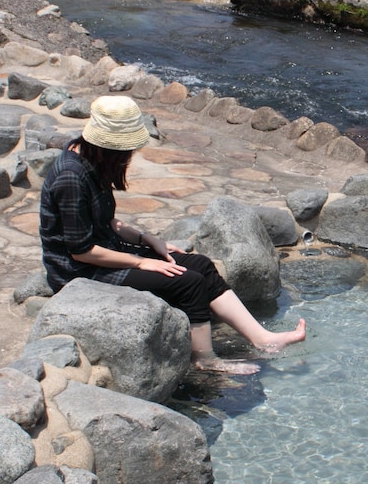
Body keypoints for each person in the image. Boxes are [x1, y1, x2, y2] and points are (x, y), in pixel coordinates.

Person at [39, 95, 305, 375]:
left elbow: (107, 222)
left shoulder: (90, 158)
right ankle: (205, 360)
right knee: (187, 283)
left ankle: (263, 339)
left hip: (102, 254)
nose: (129, 155)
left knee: (200, 264)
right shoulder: (71, 176)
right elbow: (80, 250)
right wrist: (140, 262)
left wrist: (147, 239)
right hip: (79, 271)